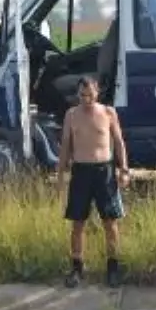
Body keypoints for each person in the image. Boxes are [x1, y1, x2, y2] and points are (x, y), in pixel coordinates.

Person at [57, 76, 130, 288]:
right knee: (78, 223)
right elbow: (65, 147)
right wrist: (61, 174)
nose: (86, 99)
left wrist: (124, 169)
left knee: (110, 221)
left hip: (104, 171)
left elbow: (118, 142)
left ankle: (113, 267)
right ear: (78, 95)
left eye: (89, 95)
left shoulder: (108, 113)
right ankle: (77, 267)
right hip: (81, 172)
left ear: (97, 92)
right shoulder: (71, 115)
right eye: (82, 95)